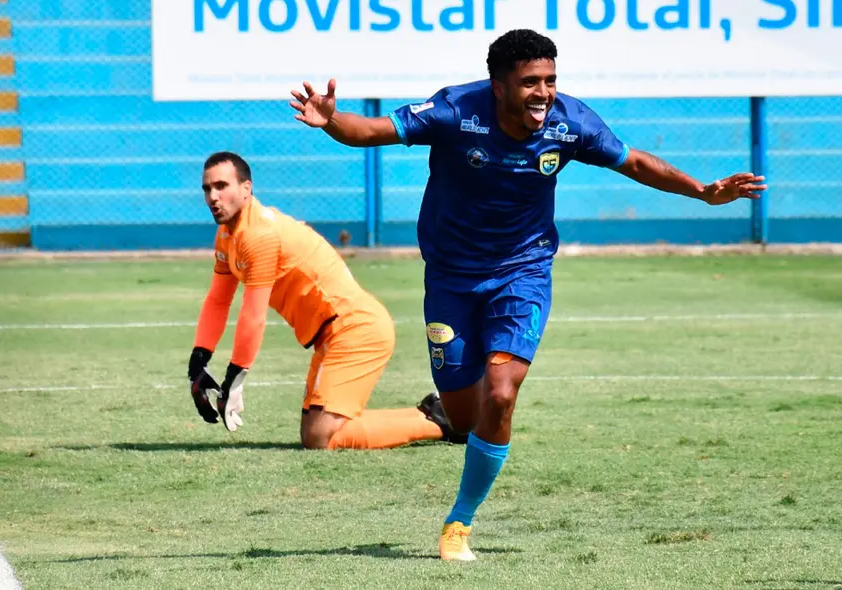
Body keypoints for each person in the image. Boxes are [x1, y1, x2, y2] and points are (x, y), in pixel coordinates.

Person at [289, 29, 766, 560]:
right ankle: (447, 418)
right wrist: (331, 119)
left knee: (501, 392)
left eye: (550, 80)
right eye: (530, 82)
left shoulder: (571, 122)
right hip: (450, 279)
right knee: (467, 419)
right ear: (498, 86)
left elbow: (633, 161)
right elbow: (372, 130)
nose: (543, 93)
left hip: (523, 271)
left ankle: (458, 525)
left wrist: (702, 191)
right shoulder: (454, 110)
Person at [187, 151, 468, 451]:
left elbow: (253, 315)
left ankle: (440, 419)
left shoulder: (259, 235)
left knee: (321, 437)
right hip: (331, 336)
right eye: (207, 189)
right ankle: (434, 414)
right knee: (314, 434)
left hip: (355, 330)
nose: (213, 197)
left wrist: (234, 377)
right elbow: (218, 300)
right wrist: (198, 362)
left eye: (221, 186)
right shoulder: (228, 236)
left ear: (246, 188)